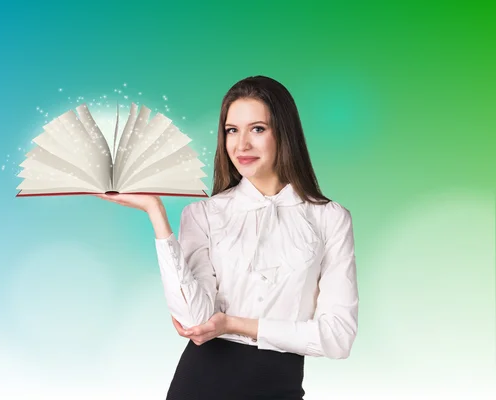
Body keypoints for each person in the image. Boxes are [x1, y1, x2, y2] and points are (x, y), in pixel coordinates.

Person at [94, 75, 359, 399]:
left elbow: (337, 338)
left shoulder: (330, 219)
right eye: (232, 130)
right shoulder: (203, 214)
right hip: (199, 385)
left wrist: (233, 324)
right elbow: (195, 320)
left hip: (281, 387)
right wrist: (157, 215)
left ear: (284, 133)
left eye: (257, 129)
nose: (241, 144)